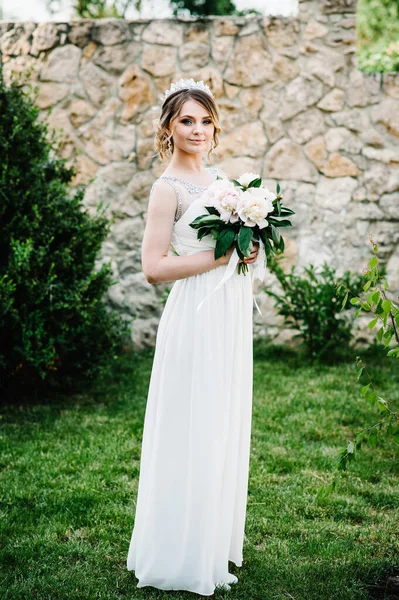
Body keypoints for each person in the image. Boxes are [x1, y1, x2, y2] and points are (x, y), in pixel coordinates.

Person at [126, 78, 260, 596]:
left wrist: (248, 248)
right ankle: (179, 552)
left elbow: (235, 243)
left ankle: (211, 543)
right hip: (193, 315)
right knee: (192, 424)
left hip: (227, 314)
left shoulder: (223, 181)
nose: (197, 130)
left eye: (205, 120)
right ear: (168, 128)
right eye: (186, 120)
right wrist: (219, 258)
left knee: (221, 424)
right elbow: (153, 268)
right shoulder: (168, 189)